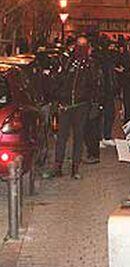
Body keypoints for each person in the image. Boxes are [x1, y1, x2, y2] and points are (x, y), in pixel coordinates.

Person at [46, 35, 100, 179]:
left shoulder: (91, 64)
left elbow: (94, 85)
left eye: (84, 45)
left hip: (81, 106)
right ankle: (58, 166)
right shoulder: (67, 62)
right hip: (65, 105)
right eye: (79, 44)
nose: (81, 48)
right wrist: (58, 97)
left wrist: (92, 103)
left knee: (78, 137)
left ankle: (75, 168)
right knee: (62, 137)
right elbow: (57, 80)